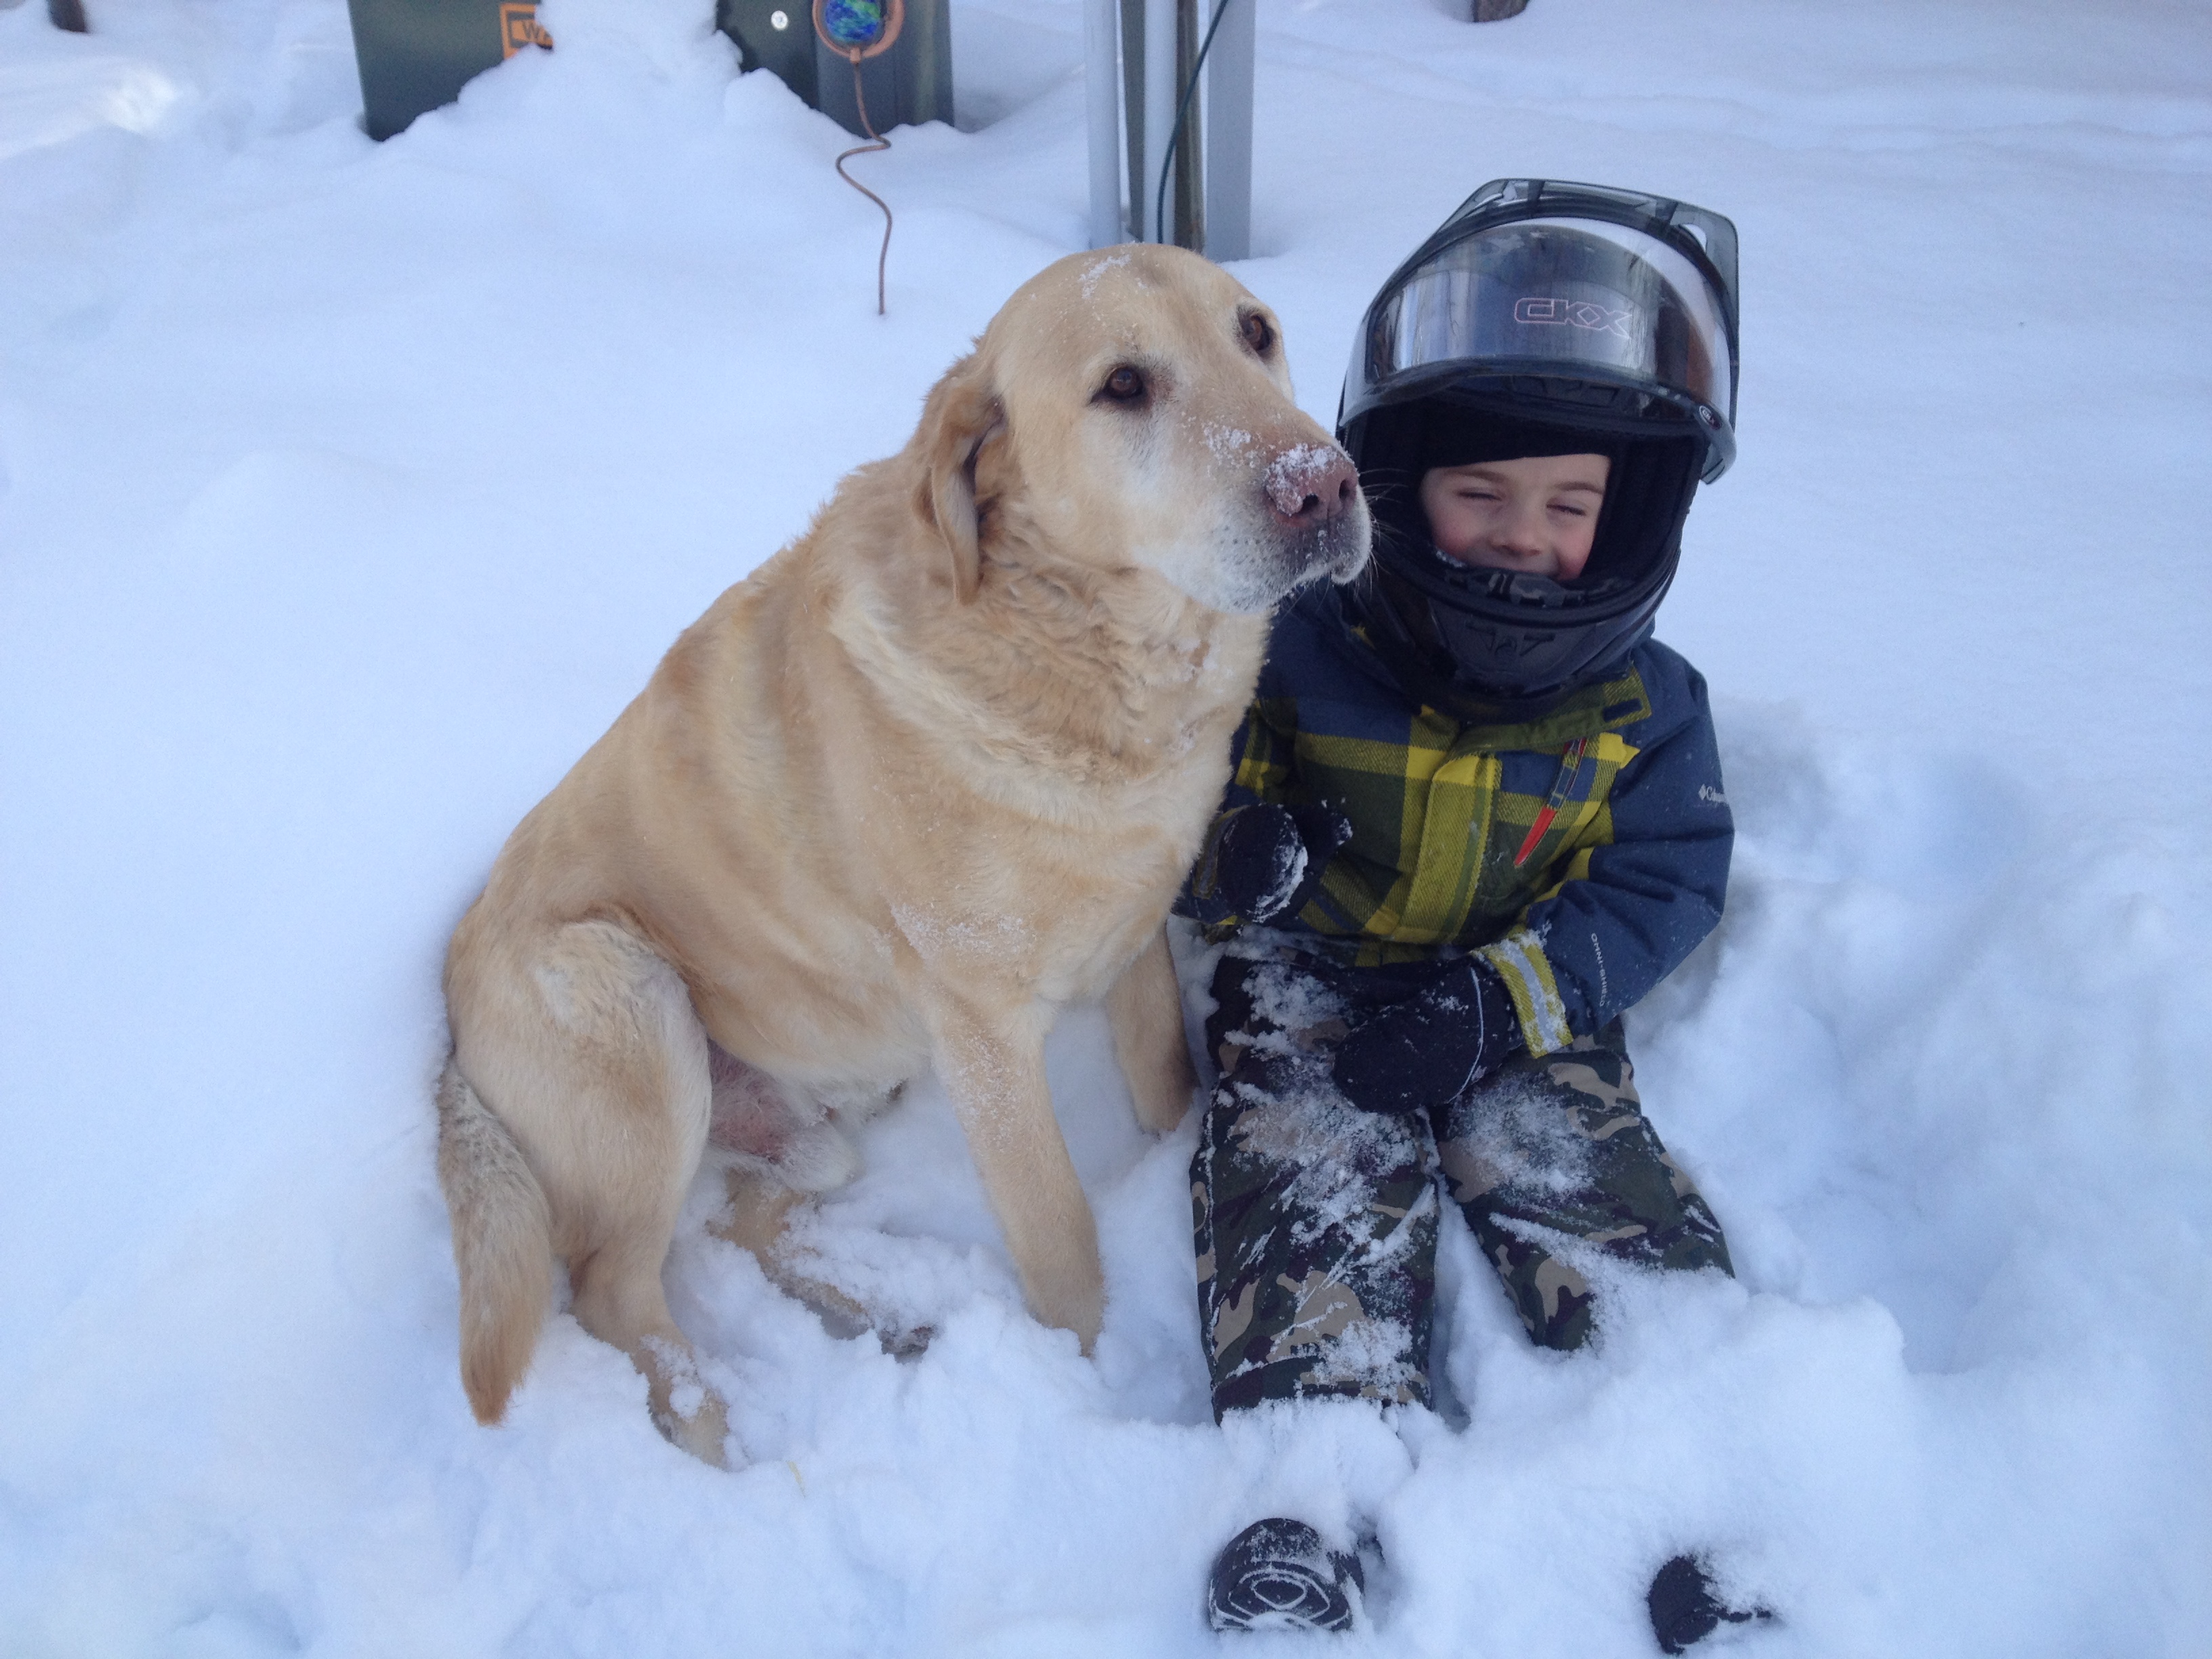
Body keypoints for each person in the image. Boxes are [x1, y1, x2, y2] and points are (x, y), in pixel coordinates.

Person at [1179, 180, 1769, 1649]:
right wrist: (1234, 852)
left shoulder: (1649, 705)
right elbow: (1194, 780)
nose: (1523, 537)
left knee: (1598, 1190)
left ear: (1630, 513)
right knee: (1296, 1185)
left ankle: (1723, 1500)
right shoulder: (1297, 646)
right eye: (1482, 496)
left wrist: (1505, 1004)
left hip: (1520, 1001)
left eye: (1569, 507)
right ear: (1401, 480)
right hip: (1312, 979)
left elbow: (1663, 881)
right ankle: (1312, 1494)